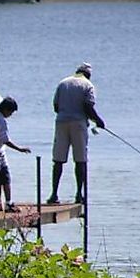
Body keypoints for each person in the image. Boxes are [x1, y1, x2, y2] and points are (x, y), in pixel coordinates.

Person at [47, 62, 105, 205]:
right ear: (88, 75)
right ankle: (79, 194)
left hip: (61, 122)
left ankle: (54, 194)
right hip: (78, 124)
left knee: (58, 160)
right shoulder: (88, 85)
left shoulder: (63, 83)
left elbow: (56, 106)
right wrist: (98, 121)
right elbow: (88, 106)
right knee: (80, 160)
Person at [0, 97, 31, 212]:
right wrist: (20, 149)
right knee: (6, 179)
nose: (11, 114)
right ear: (6, 110)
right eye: (11, 112)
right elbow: (5, 140)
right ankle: (8, 203)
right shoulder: (2, 121)